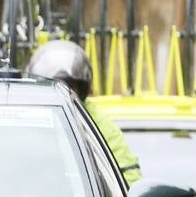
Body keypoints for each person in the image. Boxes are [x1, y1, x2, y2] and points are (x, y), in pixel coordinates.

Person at [26, 40, 142, 183]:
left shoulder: (95, 121)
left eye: (69, 86)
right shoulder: (23, 119)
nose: (62, 93)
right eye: (54, 86)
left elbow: (128, 175)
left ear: (81, 90)